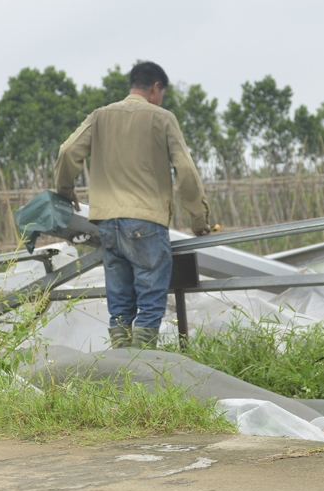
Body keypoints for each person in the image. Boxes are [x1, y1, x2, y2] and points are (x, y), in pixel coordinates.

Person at [55, 61, 211, 349]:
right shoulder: (162, 118)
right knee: (150, 305)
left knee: (121, 306)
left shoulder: (100, 116)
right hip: (146, 222)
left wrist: (65, 191)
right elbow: (186, 170)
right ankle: (143, 368)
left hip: (108, 225)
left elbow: (67, 151)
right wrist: (199, 219)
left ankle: (122, 374)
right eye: (161, 93)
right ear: (155, 88)